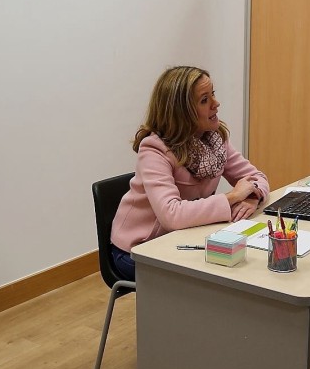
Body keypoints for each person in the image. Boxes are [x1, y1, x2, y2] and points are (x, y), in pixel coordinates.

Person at [109, 66, 269, 281]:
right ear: (181, 111)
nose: (216, 103)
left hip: (185, 238)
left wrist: (252, 197)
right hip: (138, 250)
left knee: (239, 268)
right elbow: (172, 215)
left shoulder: (214, 139)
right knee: (214, 279)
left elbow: (257, 178)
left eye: (213, 94)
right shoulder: (154, 150)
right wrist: (233, 197)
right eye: (204, 100)